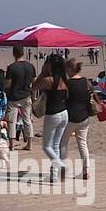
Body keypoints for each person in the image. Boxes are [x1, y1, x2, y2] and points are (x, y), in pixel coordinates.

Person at [32, 54, 70, 182]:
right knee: (55, 145)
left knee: (47, 146)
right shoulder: (65, 79)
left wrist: (43, 72)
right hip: (64, 113)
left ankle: (60, 165)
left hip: (53, 114)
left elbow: (34, 86)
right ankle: (54, 176)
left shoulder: (49, 80)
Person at [61, 58, 93, 180]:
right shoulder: (85, 82)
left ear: (70, 69)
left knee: (63, 143)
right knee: (82, 143)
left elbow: (64, 100)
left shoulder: (68, 84)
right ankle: (86, 170)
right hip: (84, 117)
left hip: (71, 117)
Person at [4, 45, 37, 151]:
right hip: (26, 95)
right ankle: (29, 144)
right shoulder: (30, 66)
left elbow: (8, 84)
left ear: (14, 54)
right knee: (27, 120)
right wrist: (33, 94)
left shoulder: (12, 67)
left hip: (14, 97)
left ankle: (12, 144)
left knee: (12, 122)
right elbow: (34, 82)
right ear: (23, 53)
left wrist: (6, 90)